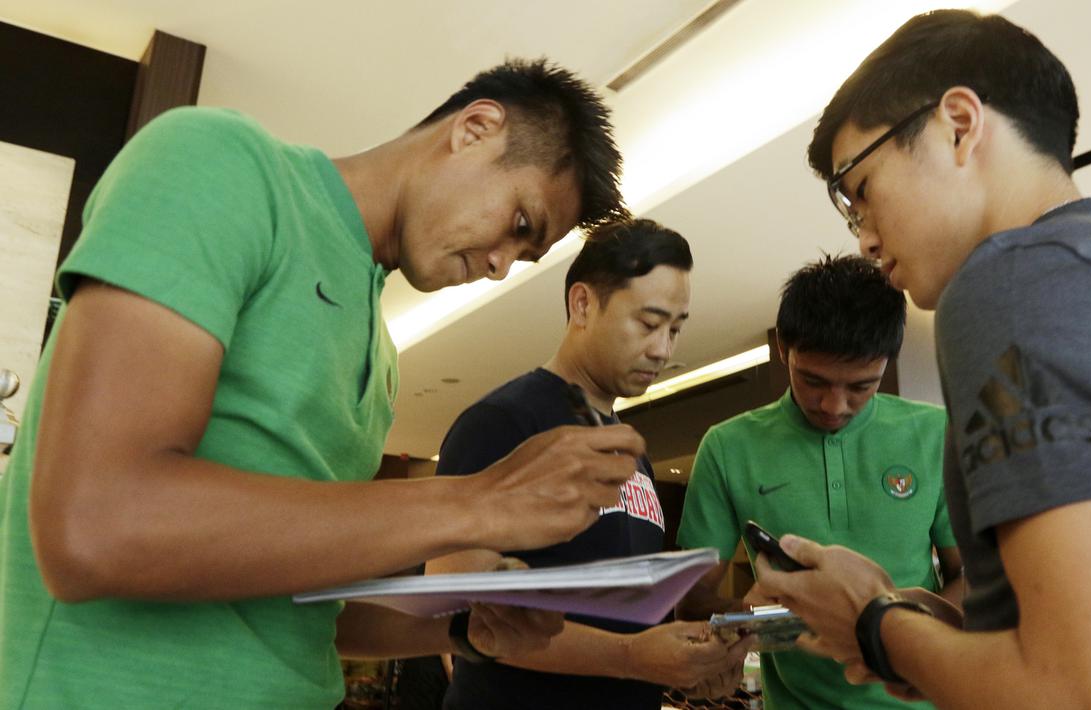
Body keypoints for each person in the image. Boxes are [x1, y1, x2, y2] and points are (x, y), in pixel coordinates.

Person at [0, 58, 647, 708]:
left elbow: (294, 607)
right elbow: (97, 524)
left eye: (527, 256)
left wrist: (463, 631)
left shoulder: (380, 352)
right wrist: (473, 501)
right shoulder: (224, 162)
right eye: (518, 224)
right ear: (475, 128)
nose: (503, 265)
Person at [754, 9, 1091, 709]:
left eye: (859, 191)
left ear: (957, 123)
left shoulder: (1011, 281)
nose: (864, 237)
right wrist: (956, 631)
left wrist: (872, 623)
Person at [427, 218, 752, 710]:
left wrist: (685, 656)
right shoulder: (503, 422)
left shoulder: (630, 450)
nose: (663, 349)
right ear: (583, 304)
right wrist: (631, 657)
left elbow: (623, 618)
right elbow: (454, 612)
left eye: (676, 329)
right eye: (648, 323)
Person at [676, 255, 961, 710]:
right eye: (813, 381)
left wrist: (886, 627)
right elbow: (690, 602)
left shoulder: (935, 433)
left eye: (862, 386)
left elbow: (971, 579)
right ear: (784, 349)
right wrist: (756, 618)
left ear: (887, 362)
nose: (835, 405)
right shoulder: (728, 447)